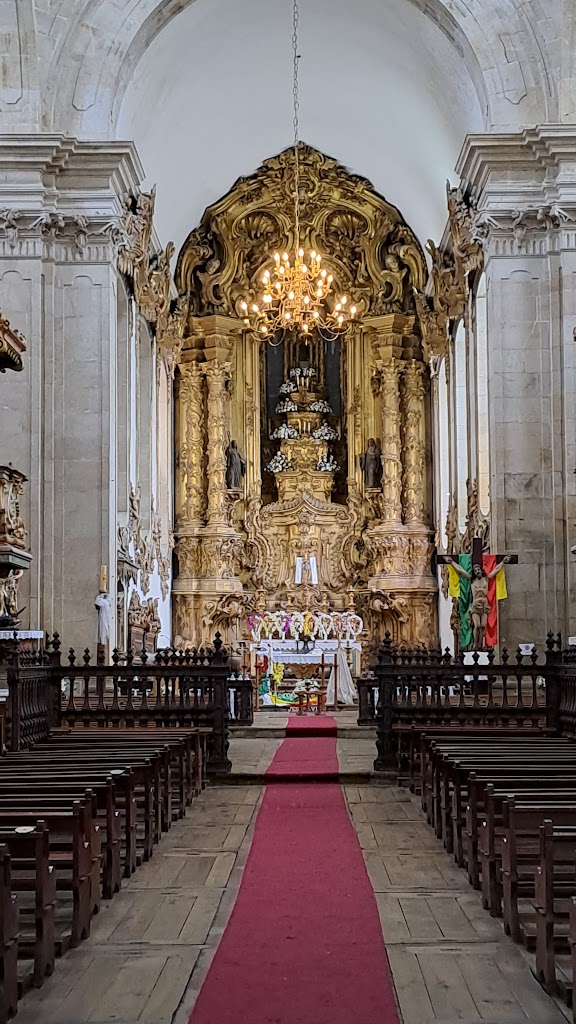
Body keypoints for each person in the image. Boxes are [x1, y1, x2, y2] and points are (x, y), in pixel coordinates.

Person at [447, 555, 511, 649]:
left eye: (478, 569)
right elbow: (461, 570)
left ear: (481, 570)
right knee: (477, 626)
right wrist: (452, 562)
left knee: (483, 626)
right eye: (475, 570)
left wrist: (503, 562)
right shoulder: (472, 580)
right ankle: (475, 644)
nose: (477, 571)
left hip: (484, 605)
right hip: (475, 605)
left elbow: (496, 570)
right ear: (474, 573)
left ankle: (481, 644)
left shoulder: (486, 579)